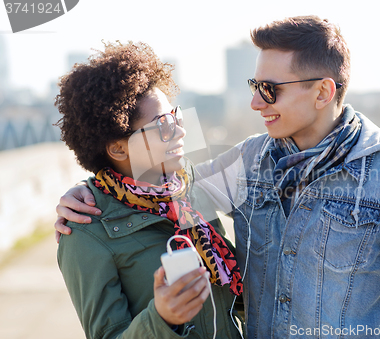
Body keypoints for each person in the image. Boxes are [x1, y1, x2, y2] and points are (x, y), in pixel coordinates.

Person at [56, 16, 380, 338]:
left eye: (269, 89)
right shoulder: (246, 162)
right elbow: (158, 188)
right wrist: (83, 192)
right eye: (253, 85)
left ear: (323, 92)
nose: (254, 102)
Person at [54, 41, 243, 339]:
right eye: (164, 125)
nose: (180, 130)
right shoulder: (85, 232)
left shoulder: (188, 187)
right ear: (118, 148)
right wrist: (162, 319)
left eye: (176, 116)